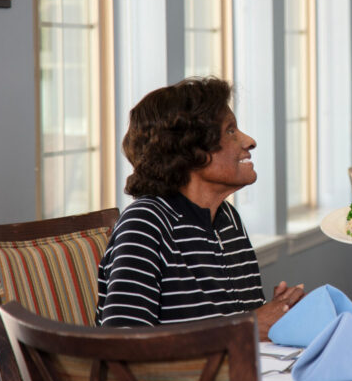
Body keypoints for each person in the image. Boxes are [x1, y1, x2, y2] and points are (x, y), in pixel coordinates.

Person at [96, 77, 304, 339]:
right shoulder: (145, 223)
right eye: (230, 130)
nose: (249, 141)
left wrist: (277, 313)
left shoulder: (227, 219)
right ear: (190, 150)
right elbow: (123, 342)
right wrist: (247, 326)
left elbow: (232, 325)